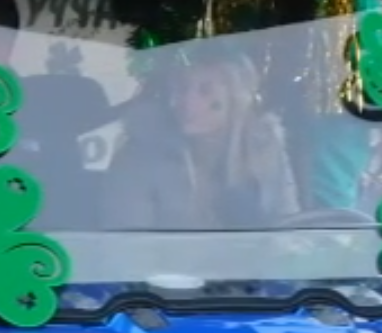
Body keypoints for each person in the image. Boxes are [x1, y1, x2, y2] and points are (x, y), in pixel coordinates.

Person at [102, 48, 300, 230]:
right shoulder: (138, 157)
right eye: (181, 88)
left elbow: (289, 229)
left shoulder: (265, 148)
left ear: (235, 98)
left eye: (205, 91)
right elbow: (128, 248)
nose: (188, 102)